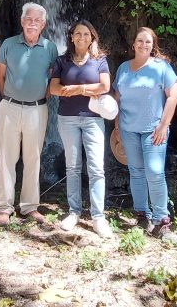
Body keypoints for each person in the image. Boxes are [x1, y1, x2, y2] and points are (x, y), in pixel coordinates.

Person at [0, 2, 59, 226]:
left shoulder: (50, 48)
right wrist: (9, 98)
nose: (32, 23)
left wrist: (41, 98)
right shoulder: (9, 44)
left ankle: (30, 206)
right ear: (22, 21)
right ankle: (4, 207)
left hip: (38, 109)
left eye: (37, 21)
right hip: (10, 107)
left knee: (33, 158)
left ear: (43, 24)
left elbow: (52, 79)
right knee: (7, 158)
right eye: (28, 19)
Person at [113, 27, 177, 238]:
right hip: (127, 129)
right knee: (136, 171)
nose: (143, 45)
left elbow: (173, 95)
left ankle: (162, 220)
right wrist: (116, 127)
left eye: (148, 42)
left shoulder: (161, 67)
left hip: (154, 130)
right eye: (140, 41)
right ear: (133, 44)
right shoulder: (123, 68)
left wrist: (163, 125)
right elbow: (116, 99)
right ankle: (142, 215)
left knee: (155, 172)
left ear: (153, 45)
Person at [50, 20, 113, 237]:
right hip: (67, 119)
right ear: (72, 37)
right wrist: (85, 90)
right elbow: (54, 88)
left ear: (92, 37)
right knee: (73, 167)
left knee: (96, 168)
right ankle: (74, 212)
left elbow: (105, 86)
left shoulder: (99, 60)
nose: (82, 37)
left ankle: (98, 217)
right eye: (78, 34)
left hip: (93, 119)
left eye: (86, 34)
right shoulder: (62, 60)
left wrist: (78, 88)